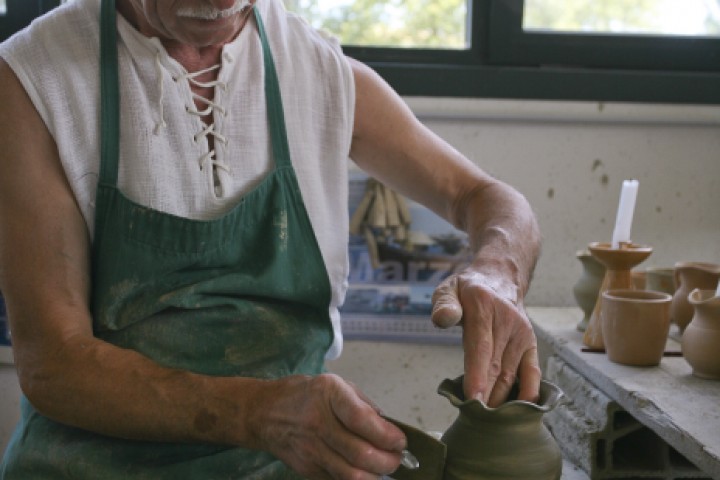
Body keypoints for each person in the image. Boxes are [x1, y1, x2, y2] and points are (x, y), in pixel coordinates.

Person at [0, 0, 541, 477]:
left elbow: (484, 197)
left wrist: (499, 271)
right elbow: (54, 364)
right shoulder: (35, 80)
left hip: (288, 464)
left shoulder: (318, 72)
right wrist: (255, 414)